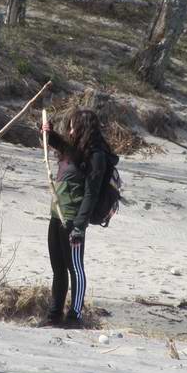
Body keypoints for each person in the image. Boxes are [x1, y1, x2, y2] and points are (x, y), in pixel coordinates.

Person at [41, 109, 116, 328]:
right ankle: (54, 315)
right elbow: (58, 143)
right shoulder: (73, 150)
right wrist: (48, 132)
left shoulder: (96, 156)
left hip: (73, 219)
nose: (70, 130)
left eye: (73, 126)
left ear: (83, 128)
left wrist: (79, 227)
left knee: (75, 268)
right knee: (58, 268)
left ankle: (74, 316)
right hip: (56, 215)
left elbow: (91, 194)